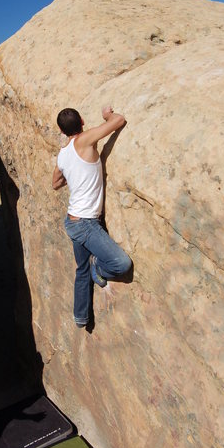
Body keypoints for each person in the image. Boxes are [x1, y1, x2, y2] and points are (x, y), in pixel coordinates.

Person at [52, 106, 132, 327]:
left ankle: (80, 317)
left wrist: (73, 174)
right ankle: (98, 266)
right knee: (121, 263)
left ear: (61, 130)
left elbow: (55, 183)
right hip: (86, 224)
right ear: (83, 121)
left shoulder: (63, 154)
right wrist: (106, 114)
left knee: (81, 270)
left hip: (73, 220)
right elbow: (119, 120)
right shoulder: (85, 139)